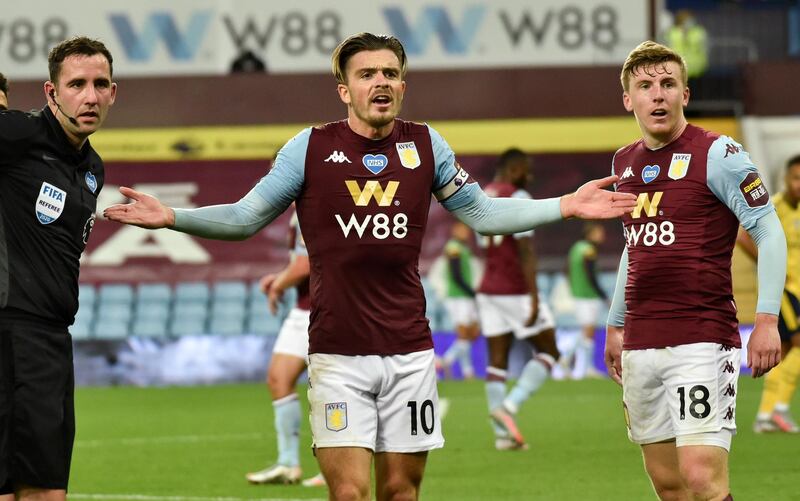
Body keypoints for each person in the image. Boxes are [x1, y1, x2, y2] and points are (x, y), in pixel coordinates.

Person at [104, 32, 635, 501]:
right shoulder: (308, 148)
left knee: (402, 491)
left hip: (409, 351)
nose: (380, 82)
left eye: (390, 73)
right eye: (367, 74)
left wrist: (563, 204)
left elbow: (484, 213)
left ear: (403, 85)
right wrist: (173, 216)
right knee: (351, 492)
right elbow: (246, 216)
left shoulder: (427, 144)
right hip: (337, 352)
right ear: (345, 89)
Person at [604, 41, 784, 501]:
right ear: (629, 99)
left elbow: (768, 231)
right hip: (641, 343)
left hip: (701, 338)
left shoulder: (719, 153)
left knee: (701, 477)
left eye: (667, 84)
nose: (657, 95)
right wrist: (615, 323)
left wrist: (766, 320)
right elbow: (634, 245)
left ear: (685, 94)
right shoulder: (623, 162)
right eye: (645, 87)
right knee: (669, 485)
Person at [0, 37, 116, 501]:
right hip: (8, 332)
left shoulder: (92, 167)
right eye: (76, 85)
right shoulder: (19, 135)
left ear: (113, 92)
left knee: (48, 492)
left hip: (52, 339)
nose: (89, 96)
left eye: (99, 84)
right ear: (51, 93)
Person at [475, 148, 561, 451]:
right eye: (526, 169)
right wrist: (535, 297)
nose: (530, 175)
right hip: (515, 289)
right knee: (550, 351)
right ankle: (508, 408)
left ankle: (502, 437)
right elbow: (525, 250)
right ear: (513, 170)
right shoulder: (519, 196)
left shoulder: (483, 195)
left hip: (488, 288)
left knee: (497, 362)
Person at [245, 209, 326, 486]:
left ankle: (337, 467)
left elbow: (305, 266)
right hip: (305, 306)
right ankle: (288, 463)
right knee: (279, 378)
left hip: (323, 309)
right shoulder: (302, 210)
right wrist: (280, 277)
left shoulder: (309, 210)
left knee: (331, 387)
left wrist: (278, 284)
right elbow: (304, 263)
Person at [738, 154, 800, 434]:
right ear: (786, 179)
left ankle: (766, 414)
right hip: (786, 289)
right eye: (796, 178)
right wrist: (767, 264)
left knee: (785, 351)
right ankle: (779, 409)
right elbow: (742, 235)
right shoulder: (773, 206)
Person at [564, 222, 608, 379]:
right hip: (588, 296)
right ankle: (585, 366)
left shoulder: (575, 248)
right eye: (599, 232)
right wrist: (604, 296)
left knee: (586, 331)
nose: (602, 236)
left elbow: (567, 269)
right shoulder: (588, 250)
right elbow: (591, 276)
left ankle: (566, 359)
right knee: (588, 332)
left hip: (578, 294)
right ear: (590, 234)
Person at [438, 220, 480, 379]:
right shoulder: (453, 248)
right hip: (458, 297)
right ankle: (448, 362)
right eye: (463, 229)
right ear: (455, 229)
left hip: (464, 296)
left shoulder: (463, 247)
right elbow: (456, 276)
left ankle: (465, 371)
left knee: (471, 334)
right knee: (464, 335)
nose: (466, 232)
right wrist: (472, 293)